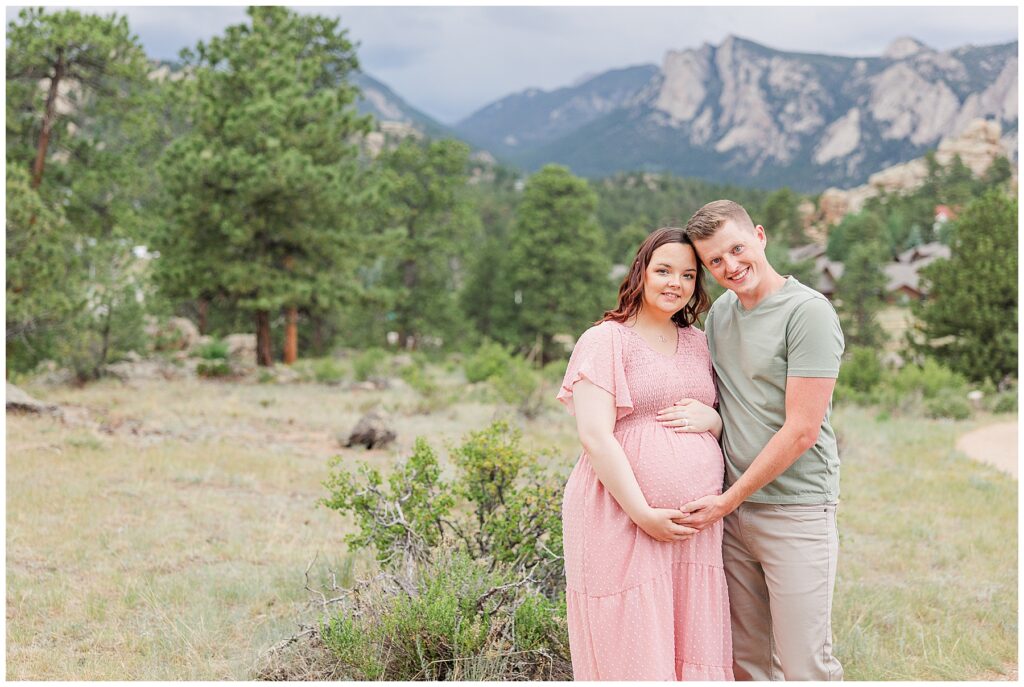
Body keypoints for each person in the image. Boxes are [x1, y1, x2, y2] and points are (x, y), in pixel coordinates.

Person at [661, 200, 844, 680]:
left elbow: (801, 429)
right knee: (745, 664)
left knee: (806, 662)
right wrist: (713, 421)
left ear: (759, 236)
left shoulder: (808, 313)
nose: (730, 267)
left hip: (795, 511)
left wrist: (727, 499)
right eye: (714, 262)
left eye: (736, 249)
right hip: (734, 517)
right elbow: (732, 401)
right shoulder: (721, 315)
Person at [556, 227, 734, 681]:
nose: (676, 283)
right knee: (631, 646)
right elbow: (595, 436)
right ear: (641, 272)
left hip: (694, 531)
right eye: (664, 270)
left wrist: (712, 422)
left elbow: (721, 414)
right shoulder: (605, 340)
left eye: (689, 275)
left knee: (687, 640)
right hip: (621, 516)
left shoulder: (698, 341)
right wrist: (643, 513)